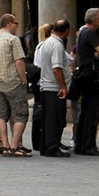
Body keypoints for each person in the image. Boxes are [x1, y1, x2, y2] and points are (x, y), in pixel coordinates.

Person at [0, 14, 30, 157]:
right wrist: (24, 79)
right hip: (14, 82)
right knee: (20, 115)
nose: (17, 26)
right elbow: (19, 61)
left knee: (0, 115)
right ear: (10, 23)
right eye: (16, 23)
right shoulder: (13, 39)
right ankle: (14, 146)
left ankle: (4, 145)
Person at [73, 8, 99, 156]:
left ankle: (80, 143)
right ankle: (88, 145)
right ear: (94, 19)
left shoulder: (82, 32)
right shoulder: (91, 33)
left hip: (83, 75)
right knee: (92, 112)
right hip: (90, 76)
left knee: (85, 111)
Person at [38, 20, 71, 157]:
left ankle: (45, 146)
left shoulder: (46, 42)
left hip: (46, 85)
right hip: (54, 87)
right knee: (55, 119)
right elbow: (57, 68)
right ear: (66, 31)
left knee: (48, 118)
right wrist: (63, 86)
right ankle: (52, 147)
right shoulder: (57, 45)